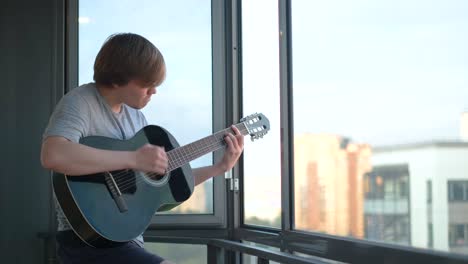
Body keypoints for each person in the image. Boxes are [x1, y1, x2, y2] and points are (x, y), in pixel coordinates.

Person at [40, 33, 244, 264]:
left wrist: (220, 167)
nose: (153, 92)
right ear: (118, 79)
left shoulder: (137, 119)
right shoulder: (80, 102)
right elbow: (53, 155)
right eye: (147, 85)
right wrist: (133, 159)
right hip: (85, 240)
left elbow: (162, 185)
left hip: (127, 239)